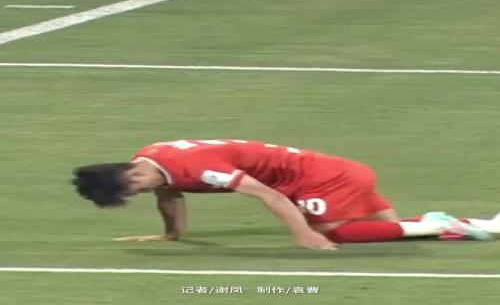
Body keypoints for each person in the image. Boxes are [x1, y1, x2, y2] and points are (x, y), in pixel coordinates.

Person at [72, 139, 499, 249]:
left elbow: (268, 196)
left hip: (323, 179)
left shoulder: (198, 168)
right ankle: (474, 225)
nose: (137, 193)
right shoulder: (149, 159)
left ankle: (436, 222)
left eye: (131, 190)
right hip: (330, 170)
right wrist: (172, 235)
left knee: (335, 234)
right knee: (392, 231)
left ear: (131, 175)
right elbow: (169, 194)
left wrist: (304, 234)